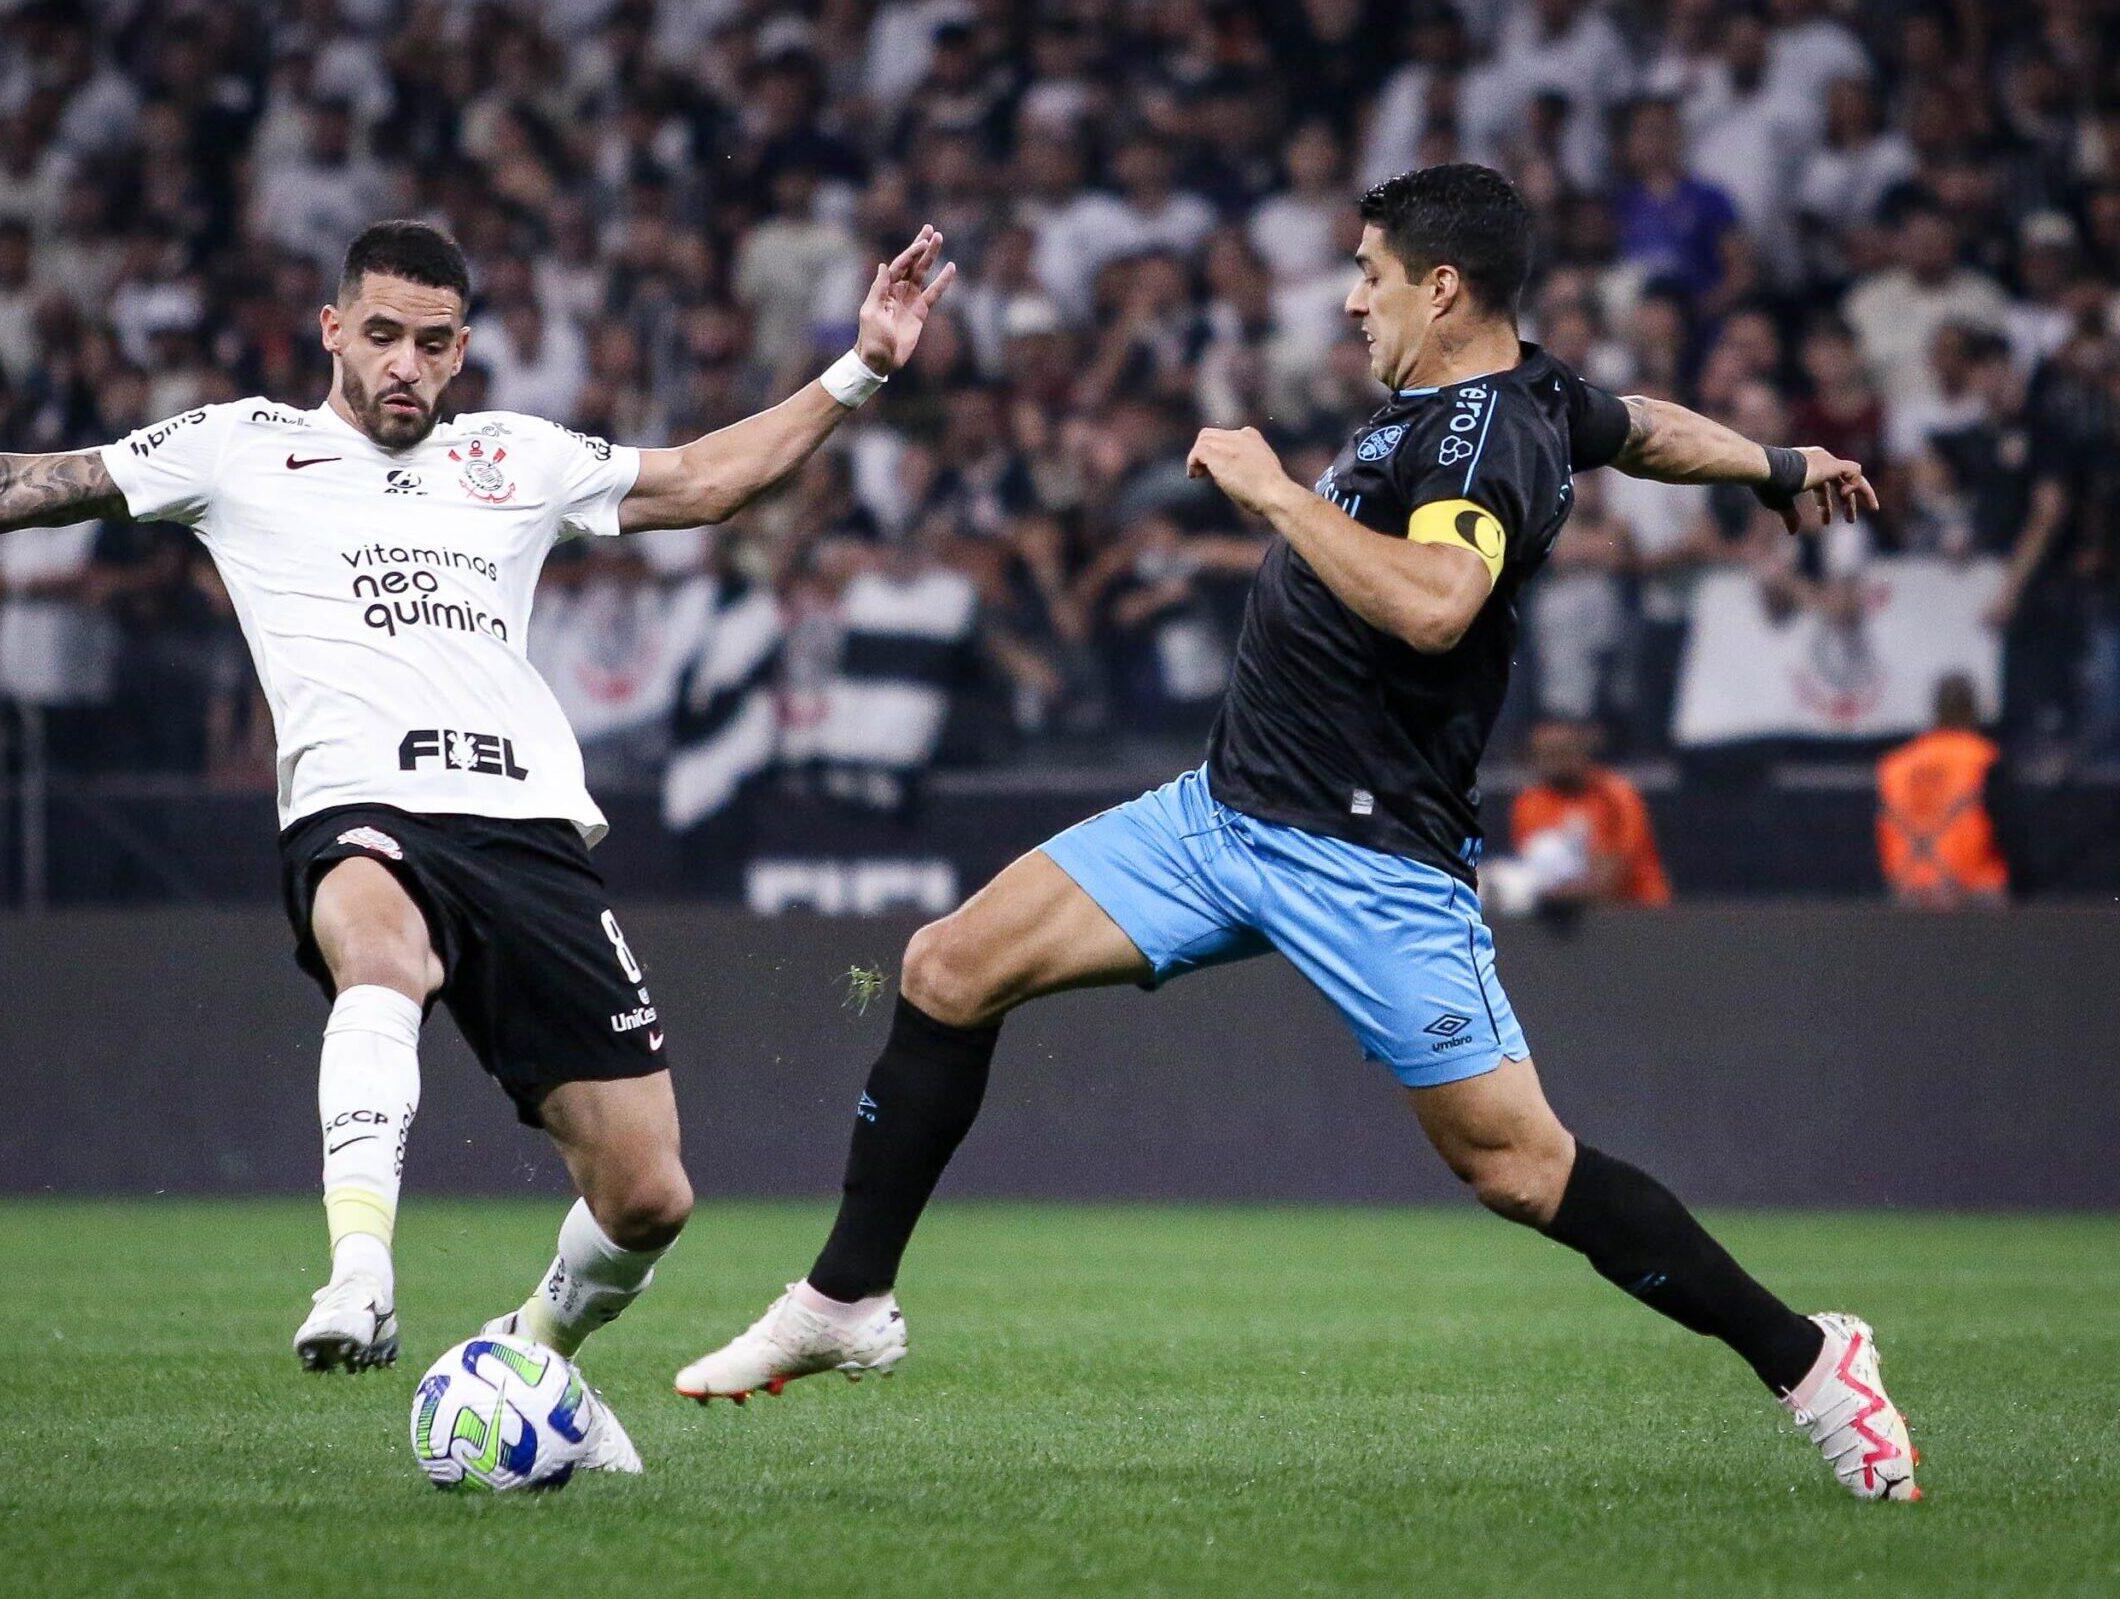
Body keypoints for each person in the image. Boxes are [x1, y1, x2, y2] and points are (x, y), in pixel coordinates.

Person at [676, 165, 1921, 1504]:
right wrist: (1776, 461)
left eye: (1371, 275)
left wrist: (1272, 494)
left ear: (1442, 288)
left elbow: (1441, 603)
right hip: (1222, 813)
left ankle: (1810, 1358)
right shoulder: (1537, 395)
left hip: (1369, 860)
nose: (1349, 299)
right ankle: (845, 1294)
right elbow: (1642, 428)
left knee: (1517, 1166)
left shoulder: (1480, 439)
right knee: (945, 964)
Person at [0, 218, 959, 1470]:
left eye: (436, 342)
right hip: (361, 805)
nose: (407, 364)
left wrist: (864, 368)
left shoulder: (514, 459)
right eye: (385, 335)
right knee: (378, 954)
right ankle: (359, 1273)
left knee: (647, 1198)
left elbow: (707, 479)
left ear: (464, 353)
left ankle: (526, 1357)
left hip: (529, 835)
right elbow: (21, 486)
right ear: (334, 329)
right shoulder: (241, 446)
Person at [1504, 718, 1672, 909]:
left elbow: (1617, 870)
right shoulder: (1529, 804)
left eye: (1562, 752)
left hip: (1637, 908)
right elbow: (1538, 867)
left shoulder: (1617, 795)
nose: (1554, 762)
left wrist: (1561, 893)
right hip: (1564, 919)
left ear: (1582, 751)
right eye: (1545, 755)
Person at [1875, 673, 2010, 910]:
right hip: (1973, 892)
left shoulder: (1895, 764)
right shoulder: (1984, 757)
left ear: (1935, 710)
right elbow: (2010, 830)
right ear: (1973, 710)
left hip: (1909, 890)